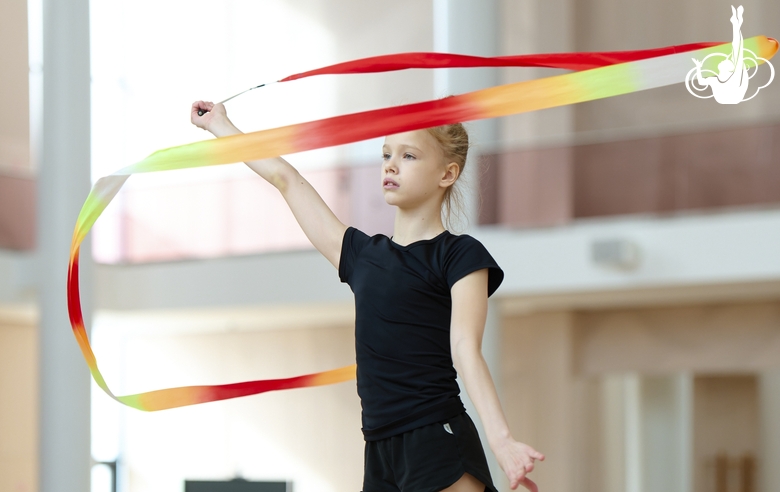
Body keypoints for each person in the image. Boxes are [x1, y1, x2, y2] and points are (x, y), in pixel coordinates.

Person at [191, 100, 544, 492]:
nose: (390, 165)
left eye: (408, 155)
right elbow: (285, 179)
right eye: (386, 154)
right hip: (378, 447)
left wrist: (502, 441)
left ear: (448, 173)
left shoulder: (459, 254)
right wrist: (222, 125)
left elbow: (465, 347)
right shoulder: (361, 255)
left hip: (433, 435)